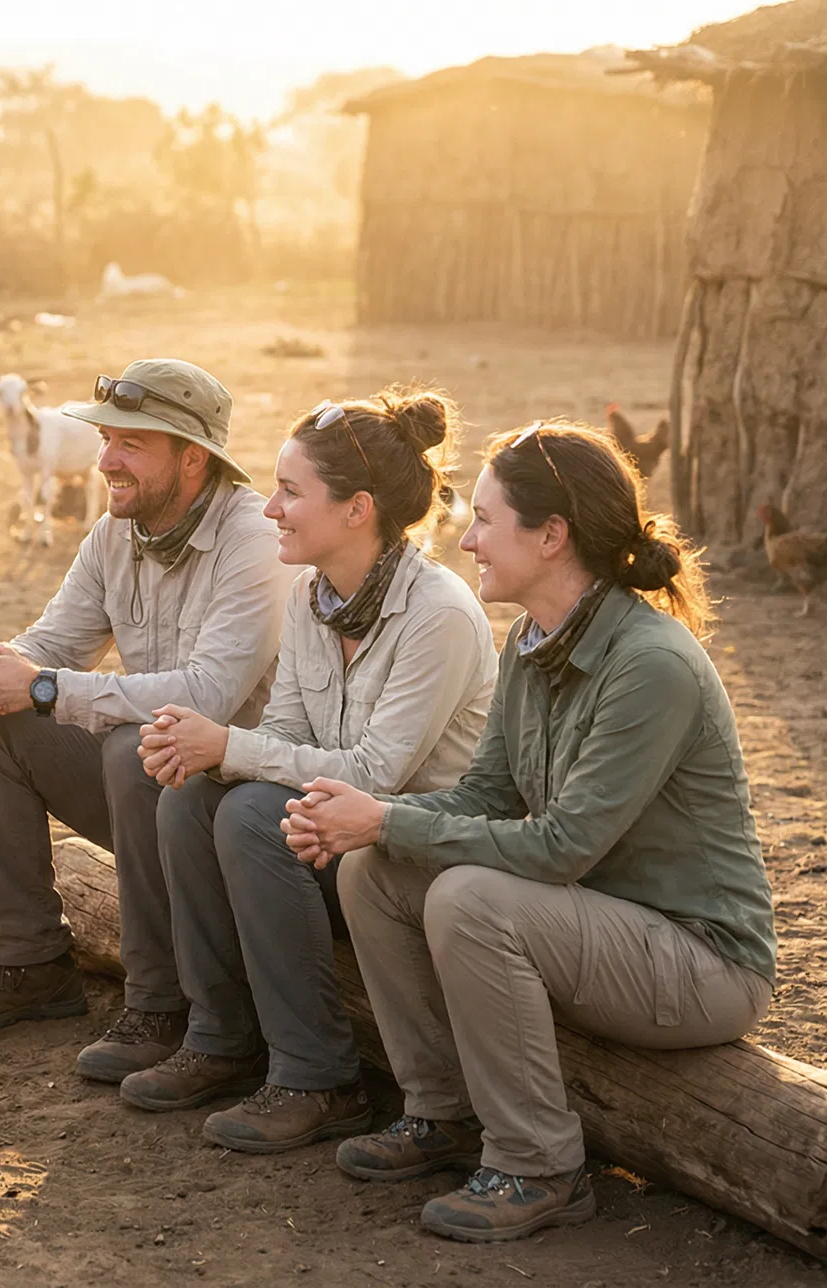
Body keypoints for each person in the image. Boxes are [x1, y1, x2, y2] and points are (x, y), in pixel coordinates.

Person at [283, 422, 775, 1243]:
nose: (466, 538)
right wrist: (362, 824)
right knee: (372, 871)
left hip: (702, 961)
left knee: (473, 898)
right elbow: (485, 794)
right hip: (599, 924)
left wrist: (389, 817)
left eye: (485, 519)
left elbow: (561, 846)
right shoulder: (533, 639)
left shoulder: (650, 663)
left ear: (552, 536)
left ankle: (538, 1164)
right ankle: (440, 1114)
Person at [128, 390, 497, 1149]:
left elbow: (377, 773)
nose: (269, 510)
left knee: (252, 813)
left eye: (291, 492)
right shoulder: (311, 595)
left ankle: (318, 1078)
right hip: (333, 840)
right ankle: (223, 1037)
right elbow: (291, 729)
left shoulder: (440, 614)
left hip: (409, 861)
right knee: (191, 799)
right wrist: (208, 752)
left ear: (358, 509)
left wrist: (229, 746)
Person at [0, 358, 290, 1085]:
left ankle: (162, 1004)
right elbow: (54, 642)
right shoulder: (115, 532)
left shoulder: (254, 540)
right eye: (105, 439)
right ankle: (30, 965)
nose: (105, 462)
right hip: (157, 787)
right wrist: (1, 666)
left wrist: (48, 687)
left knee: (134, 749)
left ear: (194, 458)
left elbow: (210, 693)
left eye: (130, 444)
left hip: (244, 803)